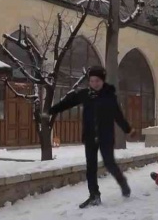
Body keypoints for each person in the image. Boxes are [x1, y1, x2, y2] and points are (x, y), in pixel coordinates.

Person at [49, 66, 135, 208]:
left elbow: (118, 115)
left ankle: (123, 183)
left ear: (102, 81)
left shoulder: (109, 96)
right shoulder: (85, 94)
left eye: (97, 81)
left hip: (105, 136)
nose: (94, 83)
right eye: (92, 81)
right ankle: (94, 195)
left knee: (109, 163)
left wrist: (128, 129)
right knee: (91, 167)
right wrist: (52, 111)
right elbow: (68, 103)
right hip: (89, 136)